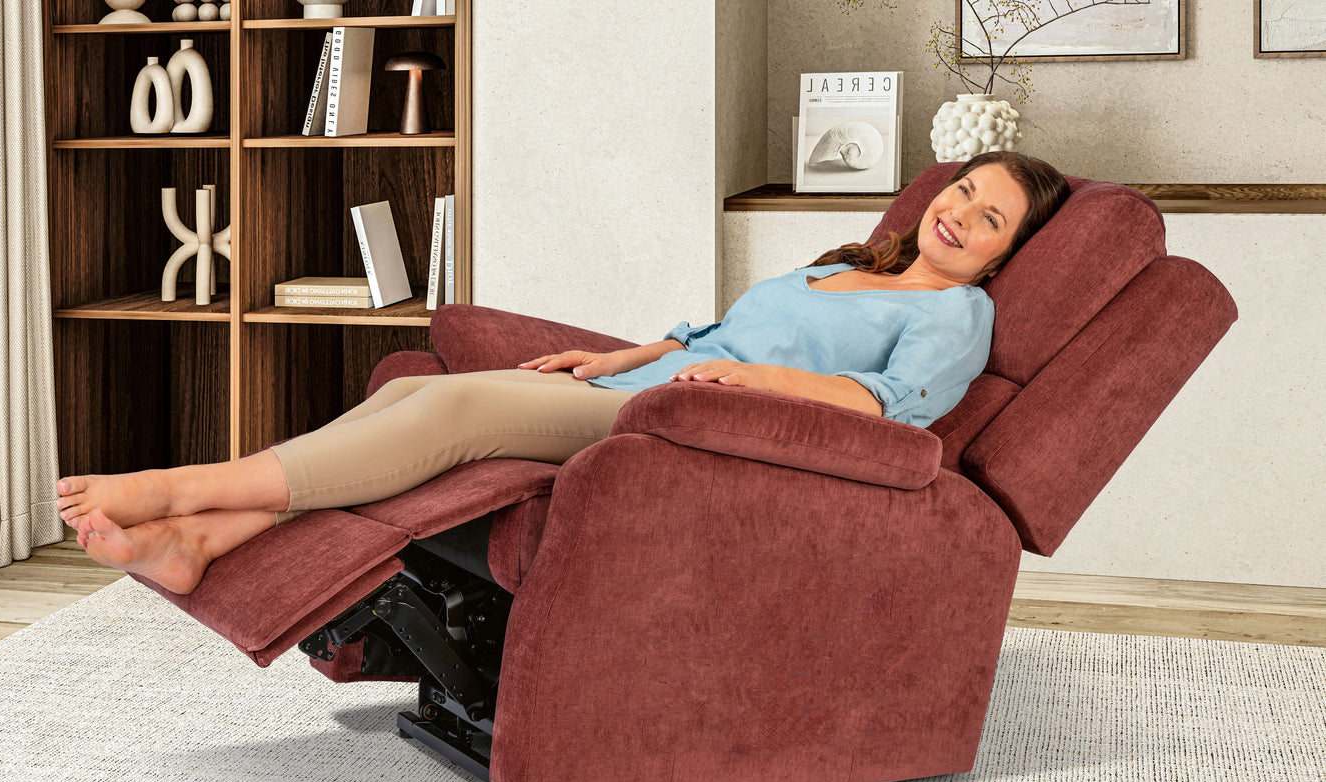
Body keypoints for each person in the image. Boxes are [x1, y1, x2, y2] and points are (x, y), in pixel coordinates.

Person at [57, 151, 1069, 595]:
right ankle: (202, 536)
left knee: (451, 405)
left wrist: (750, 390)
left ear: (997, 257)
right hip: (649, 390)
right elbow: (711, 329)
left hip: (696, 435)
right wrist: (620, 353)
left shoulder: (954, 313)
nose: (960, 214)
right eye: (963, 191)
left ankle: (179, 485)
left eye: (989, 220)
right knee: (412, 390)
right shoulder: (847, 264)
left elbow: (884, 413)